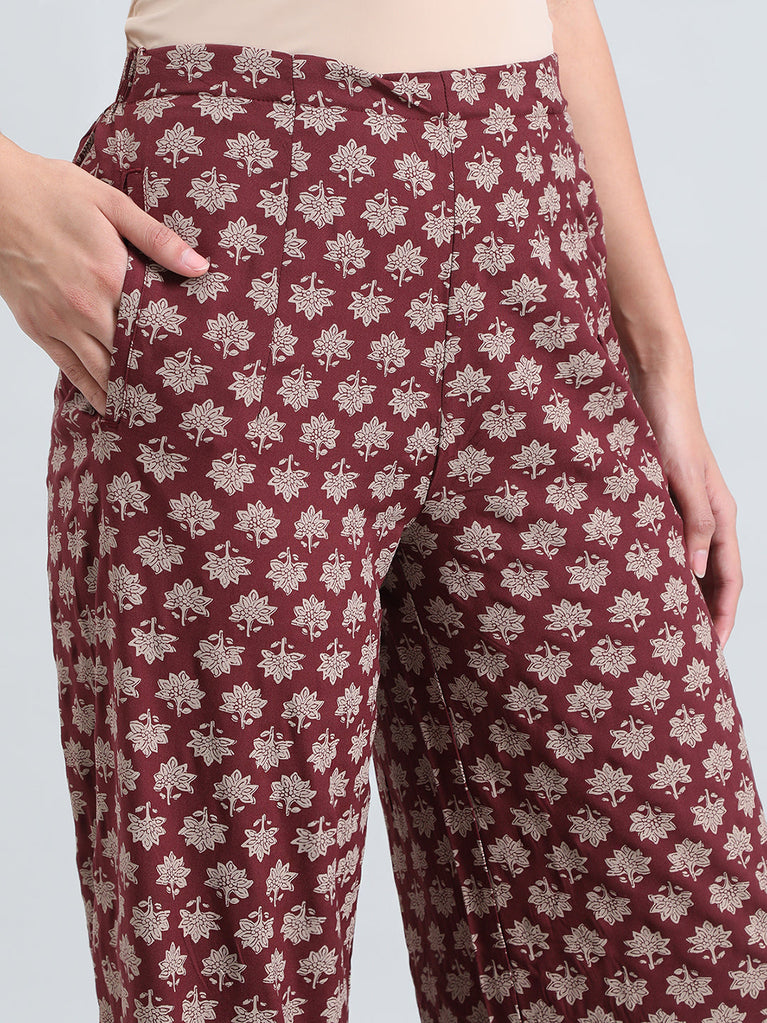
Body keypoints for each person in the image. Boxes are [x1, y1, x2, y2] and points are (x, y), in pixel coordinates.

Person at [1, 2, 765, 1021]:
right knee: (230, 956)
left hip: (529, 214)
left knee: (677, 921)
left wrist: (658, 353)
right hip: (238, 220)